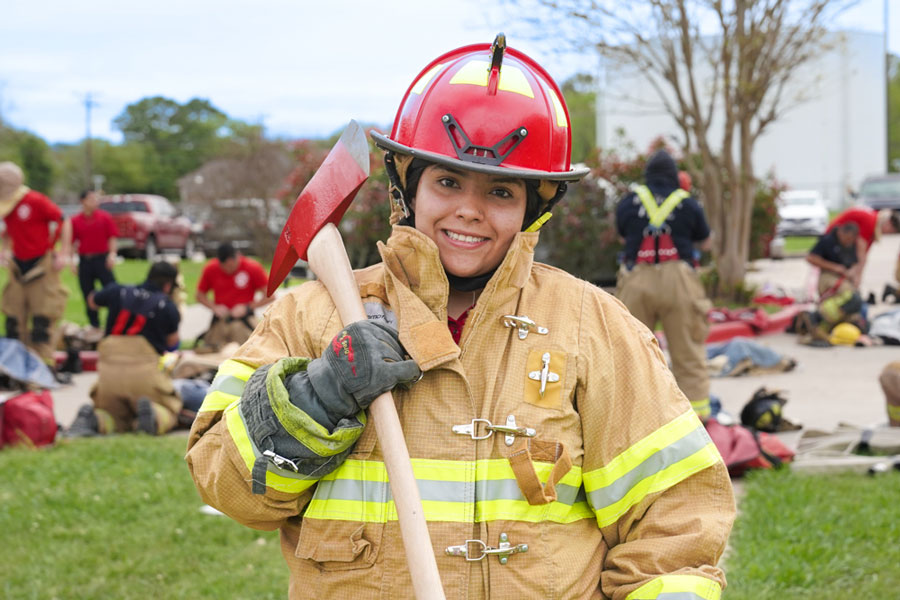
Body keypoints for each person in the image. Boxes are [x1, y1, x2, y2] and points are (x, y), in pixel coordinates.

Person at [186, 37, 734, 599]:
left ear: (534, 207)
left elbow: (675, 519)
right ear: (407, 185)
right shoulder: (311, 315)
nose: (470, 210)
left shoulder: (589, 323)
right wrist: (317, 396)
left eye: (500, 191)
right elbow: (225, 486)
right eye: (447, 182)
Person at [614, 149, 714, 420]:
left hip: (637, 280)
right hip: (678, 281)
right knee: (688, 353)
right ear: (674, 176)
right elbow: (705, 241)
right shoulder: (688, 203)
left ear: (647, 175)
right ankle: (697, 422)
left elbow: (623, 238)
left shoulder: (629, 202)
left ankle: (635, 420)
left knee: (632, 356)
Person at [65, 261, 182, 437]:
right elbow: (173, 343)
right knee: (170, 408)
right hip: (144, 376)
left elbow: (92, 301)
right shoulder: (167, 306)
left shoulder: (117, 291)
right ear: (168, 286)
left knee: (113, 416)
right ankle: (153, 416)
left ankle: (95, 420)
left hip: (109, 375)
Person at [0, 161, 70, 368]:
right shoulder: (7, 205)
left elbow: (63, 221)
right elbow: (8, 232)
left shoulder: (35, 200)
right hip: (18, 265)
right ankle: (14, 363)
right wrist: (4, 250)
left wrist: (63, 252)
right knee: (13, 317)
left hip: (41, 263)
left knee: (43, 318)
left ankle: (43, 364)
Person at [194, 242, 273, 352]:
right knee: (209, 349)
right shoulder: (211, 269)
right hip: (222, 320)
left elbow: (271, 296)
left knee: (251, 349)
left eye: (231, 265)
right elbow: (199, 295)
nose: (229, 269)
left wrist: (248, 307)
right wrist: (214, 307)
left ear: (237, 257)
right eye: (225, 267)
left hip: (244, 320)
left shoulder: (252, 268)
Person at [67, 189, 119, 331]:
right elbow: (72, 243)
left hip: (102, 259)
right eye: (91, 199)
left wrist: (112, 254)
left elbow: (112, 237)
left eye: (95, 199)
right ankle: (94, 325)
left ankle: (115, 322)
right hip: (85, 260)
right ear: (82, 201)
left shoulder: (104, 217)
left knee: (112, 290)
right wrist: (71, 261)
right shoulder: (75, 220)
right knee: (87, 292)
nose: (94, 202)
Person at [825, 206, 898, 288]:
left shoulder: (874, 220)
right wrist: (857, 277)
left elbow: (864, 252)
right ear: (889, 223)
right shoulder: (870, 221)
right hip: (832, 242)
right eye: (891, 231)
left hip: (842, 245)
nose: (889, 234)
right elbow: (861, 251)